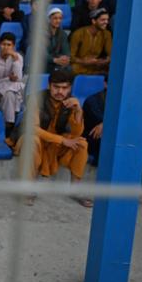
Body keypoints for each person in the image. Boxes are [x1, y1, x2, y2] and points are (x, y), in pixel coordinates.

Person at [11, 69, 91, 207]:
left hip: (53, 144)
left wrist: (78, 110)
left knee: (81, 143)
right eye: (56, 87)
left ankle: (75, 189)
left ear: (70, 88)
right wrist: (62, 140)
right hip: (32, 139)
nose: (60, 91)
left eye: (65, 88)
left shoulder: (71, 103)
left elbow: (77, 133)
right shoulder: (36, 99)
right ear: (49, 86)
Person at [0, 32, 25, 131]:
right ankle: (12, 122)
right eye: (3, 44)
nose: (6, 47)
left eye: (9, 45)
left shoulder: (18, 57)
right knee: (15, 87)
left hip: (11, 92)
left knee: (10, 93)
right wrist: (7, 79)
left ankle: (8, 124)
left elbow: (18, 78)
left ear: (14, 46)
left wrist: (15, 61)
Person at [69, 8, 112, 75]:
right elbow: (71, 57)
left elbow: (110, 54)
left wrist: (105, 61)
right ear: (93, 21)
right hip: (80, 65)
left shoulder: (107, 34)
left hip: (96, 65)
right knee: (72, 68)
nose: (106, 22)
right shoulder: (78, 33)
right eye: (103, 20)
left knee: (112, 68)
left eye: (107, 20)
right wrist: (84, 62)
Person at [82, 74, 107, 166]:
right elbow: (99, 119)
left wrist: (105, 124)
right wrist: (105, 123)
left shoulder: (123, 100)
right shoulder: (92, 100)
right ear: (105, 84)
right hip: (92, 137)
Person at [46, 7, 71, 73]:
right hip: (45, 61)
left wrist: (65, 58)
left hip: (57, 60)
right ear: (49, 19)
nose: (58, 21)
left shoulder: (63, 34)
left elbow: (66, 51)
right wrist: (55, 60)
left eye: (60, 18)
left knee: (69, 68)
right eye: (55, 18)